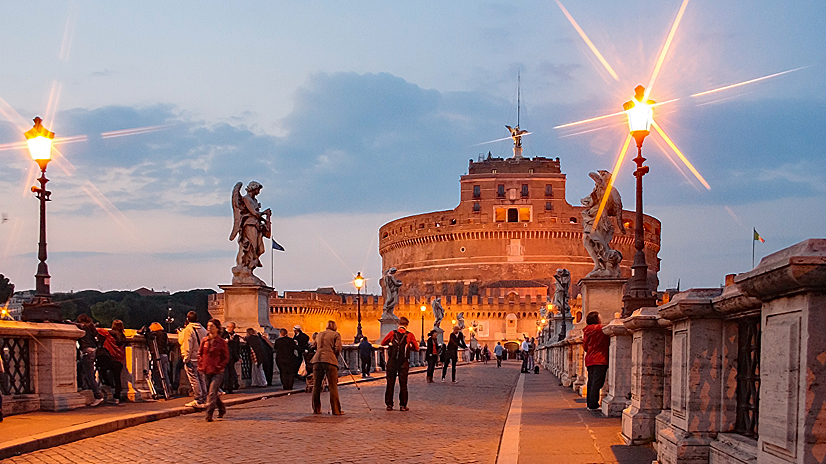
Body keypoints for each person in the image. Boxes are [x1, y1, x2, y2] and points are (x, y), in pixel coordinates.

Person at [381, 317, 419, 410]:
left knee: (390, 383)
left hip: (392, 362)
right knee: (403, 384)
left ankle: (389, 405)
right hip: (403, 363)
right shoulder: (410, 335)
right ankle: (403, 405)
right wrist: (409, 346)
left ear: (398, 324)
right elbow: (417, 348)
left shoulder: (392, 333)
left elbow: (382, 343)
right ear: (407, 325)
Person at [198, 318, 229, 422]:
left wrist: (220, 366)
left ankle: (209, 413)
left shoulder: (221, 342)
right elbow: (200, 353)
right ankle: (221, 408)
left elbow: (226, 357)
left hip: (217, 371)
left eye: (211, 326)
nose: (209, 328)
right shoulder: (204, 340)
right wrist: (201, 364)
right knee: (212, 392)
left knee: (211, 392)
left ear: (217, 328)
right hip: (206, 369)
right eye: (208, 326)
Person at [311, 320, 343, 415]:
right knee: (333, 386)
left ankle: (316, 409)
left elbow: (314, 346)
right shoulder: (336, 335)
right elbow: (338, 348)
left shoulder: (319, 334)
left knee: (316, 386)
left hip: (316, 360)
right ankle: (336, 410)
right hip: (330, 360)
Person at [179, 311, 208, 408]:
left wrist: (185, 358)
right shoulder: (203, 329)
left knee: (194, 379)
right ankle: (204, 398)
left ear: (187, 319)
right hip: (201, 358)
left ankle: (198, 399)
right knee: (201, 379)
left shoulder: (189, 330)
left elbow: (188, 345)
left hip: (192, 358)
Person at [583, 311, 610, 410]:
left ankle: (590, 403)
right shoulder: (601, 329)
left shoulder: (586, 331)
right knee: (598, 382)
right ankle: (593, 404)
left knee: (591, 381)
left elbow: (585, 346)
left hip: (590, 359)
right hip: (600, 358)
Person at [76, 314, 104, 406]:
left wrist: (68, 322)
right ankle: (82, 386)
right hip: (92, 351)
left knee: (89, 375)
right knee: (80, 367)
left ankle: (98, 396)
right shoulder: (91, 327)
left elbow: (78, 326)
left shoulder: (84, 327)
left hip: (87, 352)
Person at [96, 320, 127, 403]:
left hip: (111, 358)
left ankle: (107, 384)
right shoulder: (123, 336)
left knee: (102, 369)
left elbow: (98, 330)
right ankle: (117, 396)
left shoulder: (109, 334)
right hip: (120, 359)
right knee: (117, 378)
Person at [148, 322, 171, 398]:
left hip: (158, 355)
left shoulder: (155, 335)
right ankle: (168, 389)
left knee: (157, 373)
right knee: (165, 373)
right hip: (165, 355)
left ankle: (160, 389)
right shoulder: (164, 334)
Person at [221, 322, 241, 394]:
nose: (229, 328)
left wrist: (238, 356)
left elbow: (237, 346)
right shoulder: (223, 334)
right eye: (228, 327)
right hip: (224, 355)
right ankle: (224, 387)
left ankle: (230, 387)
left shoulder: (236, 336)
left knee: (231, 372)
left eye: (231, 327)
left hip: (232, 356)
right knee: (224, 372)